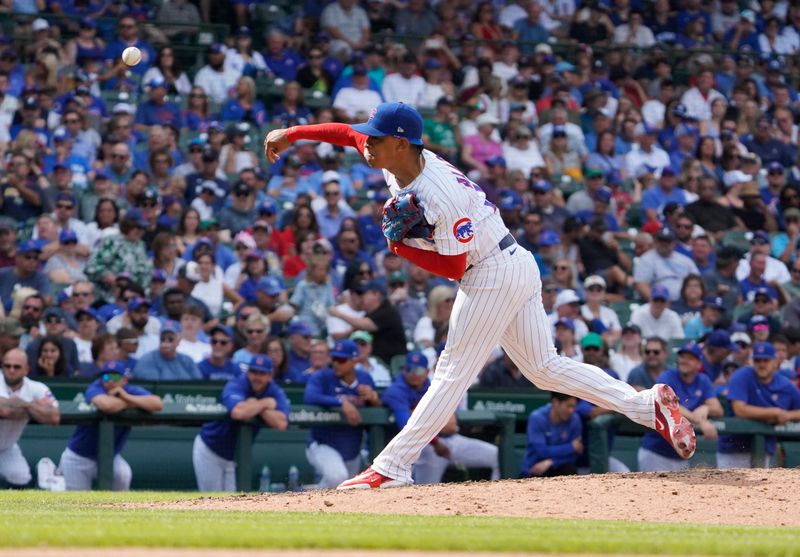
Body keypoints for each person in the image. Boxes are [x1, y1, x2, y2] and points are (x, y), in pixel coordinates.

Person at [264, 101, 698, 489]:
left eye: (377, 137)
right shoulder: (391, 154)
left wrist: (401, 247)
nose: (368, 143)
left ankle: (392, 465)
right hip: (512, 261)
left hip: (489, 270)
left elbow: (453, 267)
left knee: (452, 372)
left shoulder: (442, 196)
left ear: (401, 143)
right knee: (545, 369)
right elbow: (346, 132)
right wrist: (294, 133)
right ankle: (645, 406)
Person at [59, 361, 163, 490]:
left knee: (123, 474)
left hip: (109, 456)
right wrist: (132, 403)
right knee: (77, 504)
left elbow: (158, 403)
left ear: (124, 380)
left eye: (115, 377)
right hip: (79, 456)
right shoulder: (96, 387)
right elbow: (107, 405)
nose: (110, 381)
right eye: (106, 377)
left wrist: (125, 396)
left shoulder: (128, 391)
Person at [193, 354, 289, 491]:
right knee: (211, 502)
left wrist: (256, 406)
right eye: (254, 372)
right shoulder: (237, 383)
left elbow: (281, 423)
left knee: (232, 504)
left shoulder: (274, 391)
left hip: (234, 456)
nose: (257, 377)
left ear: (269, 375)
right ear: (248, 372)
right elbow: (238, 412)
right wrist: (265, 404)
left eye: (262, 373)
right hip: (210, 449)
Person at [303, 339, 381, 488]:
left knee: (347, 489)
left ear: (354, 360)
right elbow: (310, 396)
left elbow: (377, 407)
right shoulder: (323, 376)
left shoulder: (364, 378)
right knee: (336, 477)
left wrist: (373, 397)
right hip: (322, 443)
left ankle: (307, 492)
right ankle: (307, 500)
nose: (336, 363)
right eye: (334, 359)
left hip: (352, 448)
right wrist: (341, 403)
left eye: (341, 359)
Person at [638, 343, 722, 472]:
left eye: (690, 358)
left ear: (699, 364)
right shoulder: (668, 376)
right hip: (656, 452)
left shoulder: (703, 380)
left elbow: (718, 409)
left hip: (681, 456)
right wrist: (700, 420)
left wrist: (706, 408)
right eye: (682, 357)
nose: (684, 361)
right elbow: (667, 403)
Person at [717, 341, 800, 468]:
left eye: (766, 360)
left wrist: (788, 415)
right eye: (758, 360)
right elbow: (739, 410)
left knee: (760, 486)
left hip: (764, 449)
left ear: (775, 362)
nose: (761, 364)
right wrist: (774, 412)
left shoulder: (785, 384)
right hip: (733, 449)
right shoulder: (741, 376)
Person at [0, 348, 60, 487]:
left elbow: (54, 416)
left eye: (16, 367)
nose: (11, 370)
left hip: (7, 448)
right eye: (7, 366)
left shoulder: (35, 387)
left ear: (26, 370)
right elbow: (4, 411)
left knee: (21, 476)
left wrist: (24, 405)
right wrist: (34, 407)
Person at [522, 391, 583, 477]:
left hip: (562, 467)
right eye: (568, 406)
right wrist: (571, 447)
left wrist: (552, 462)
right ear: (555, 402)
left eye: (574, 407)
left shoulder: (575, 419)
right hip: (535, 468)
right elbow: (541, 452)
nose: (571, 411)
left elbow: (574, 455)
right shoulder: (537, 417)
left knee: (570, 469)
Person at [132, 322, 201, 381]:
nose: (166, 342)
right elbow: (154, 387)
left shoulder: (187, 361)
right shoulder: (147, 360)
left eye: (170, 339)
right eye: (163, 338)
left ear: (179, 340)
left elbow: (199, 385)